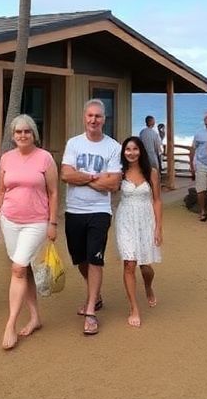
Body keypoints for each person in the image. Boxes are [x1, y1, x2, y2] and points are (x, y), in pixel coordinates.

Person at [0, 114, 58, 350]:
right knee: (24, 268)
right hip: (9, 220)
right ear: (12, 135)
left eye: (27, 131)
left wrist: (53, 223)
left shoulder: (45, 158)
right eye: (18, 132)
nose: (22, 135)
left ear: (34, 134)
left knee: (18, 268)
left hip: (36, 222)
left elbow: (53, 193)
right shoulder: (6, 159)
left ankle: (10, 324)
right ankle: (35, 316)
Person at [61, 99, 123, 337]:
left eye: (98, 116)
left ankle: (90, 312)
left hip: (99, 211)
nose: (93, 120)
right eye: (90, 116)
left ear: (104, 119)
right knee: (81, 259)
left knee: (95, 258)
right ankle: (95, 295)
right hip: (74, 210)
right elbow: (66, 174)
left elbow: (114, 183)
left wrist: (82, 176)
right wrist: (97, 178)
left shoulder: (113, 147)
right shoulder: (73, 143)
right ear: (84, 117)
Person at [115, 136, 162, 328]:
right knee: (129, 263)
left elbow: (157, 200)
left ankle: (148, 286)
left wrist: (158, 227)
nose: (131, 153)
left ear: (140, 151)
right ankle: (134, 307)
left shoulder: (151, 172)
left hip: (145, 219)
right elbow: (107, 188)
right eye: (127, 149)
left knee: (145, 266)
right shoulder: (119, 173)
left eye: (135, 149)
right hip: (125, 218)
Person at [189, 112, 207, 221]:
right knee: (201, 189)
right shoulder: (199, 133)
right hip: (201, 163)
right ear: (205, 121)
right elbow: (193, 149)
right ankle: (202, 211)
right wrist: (192, 164)